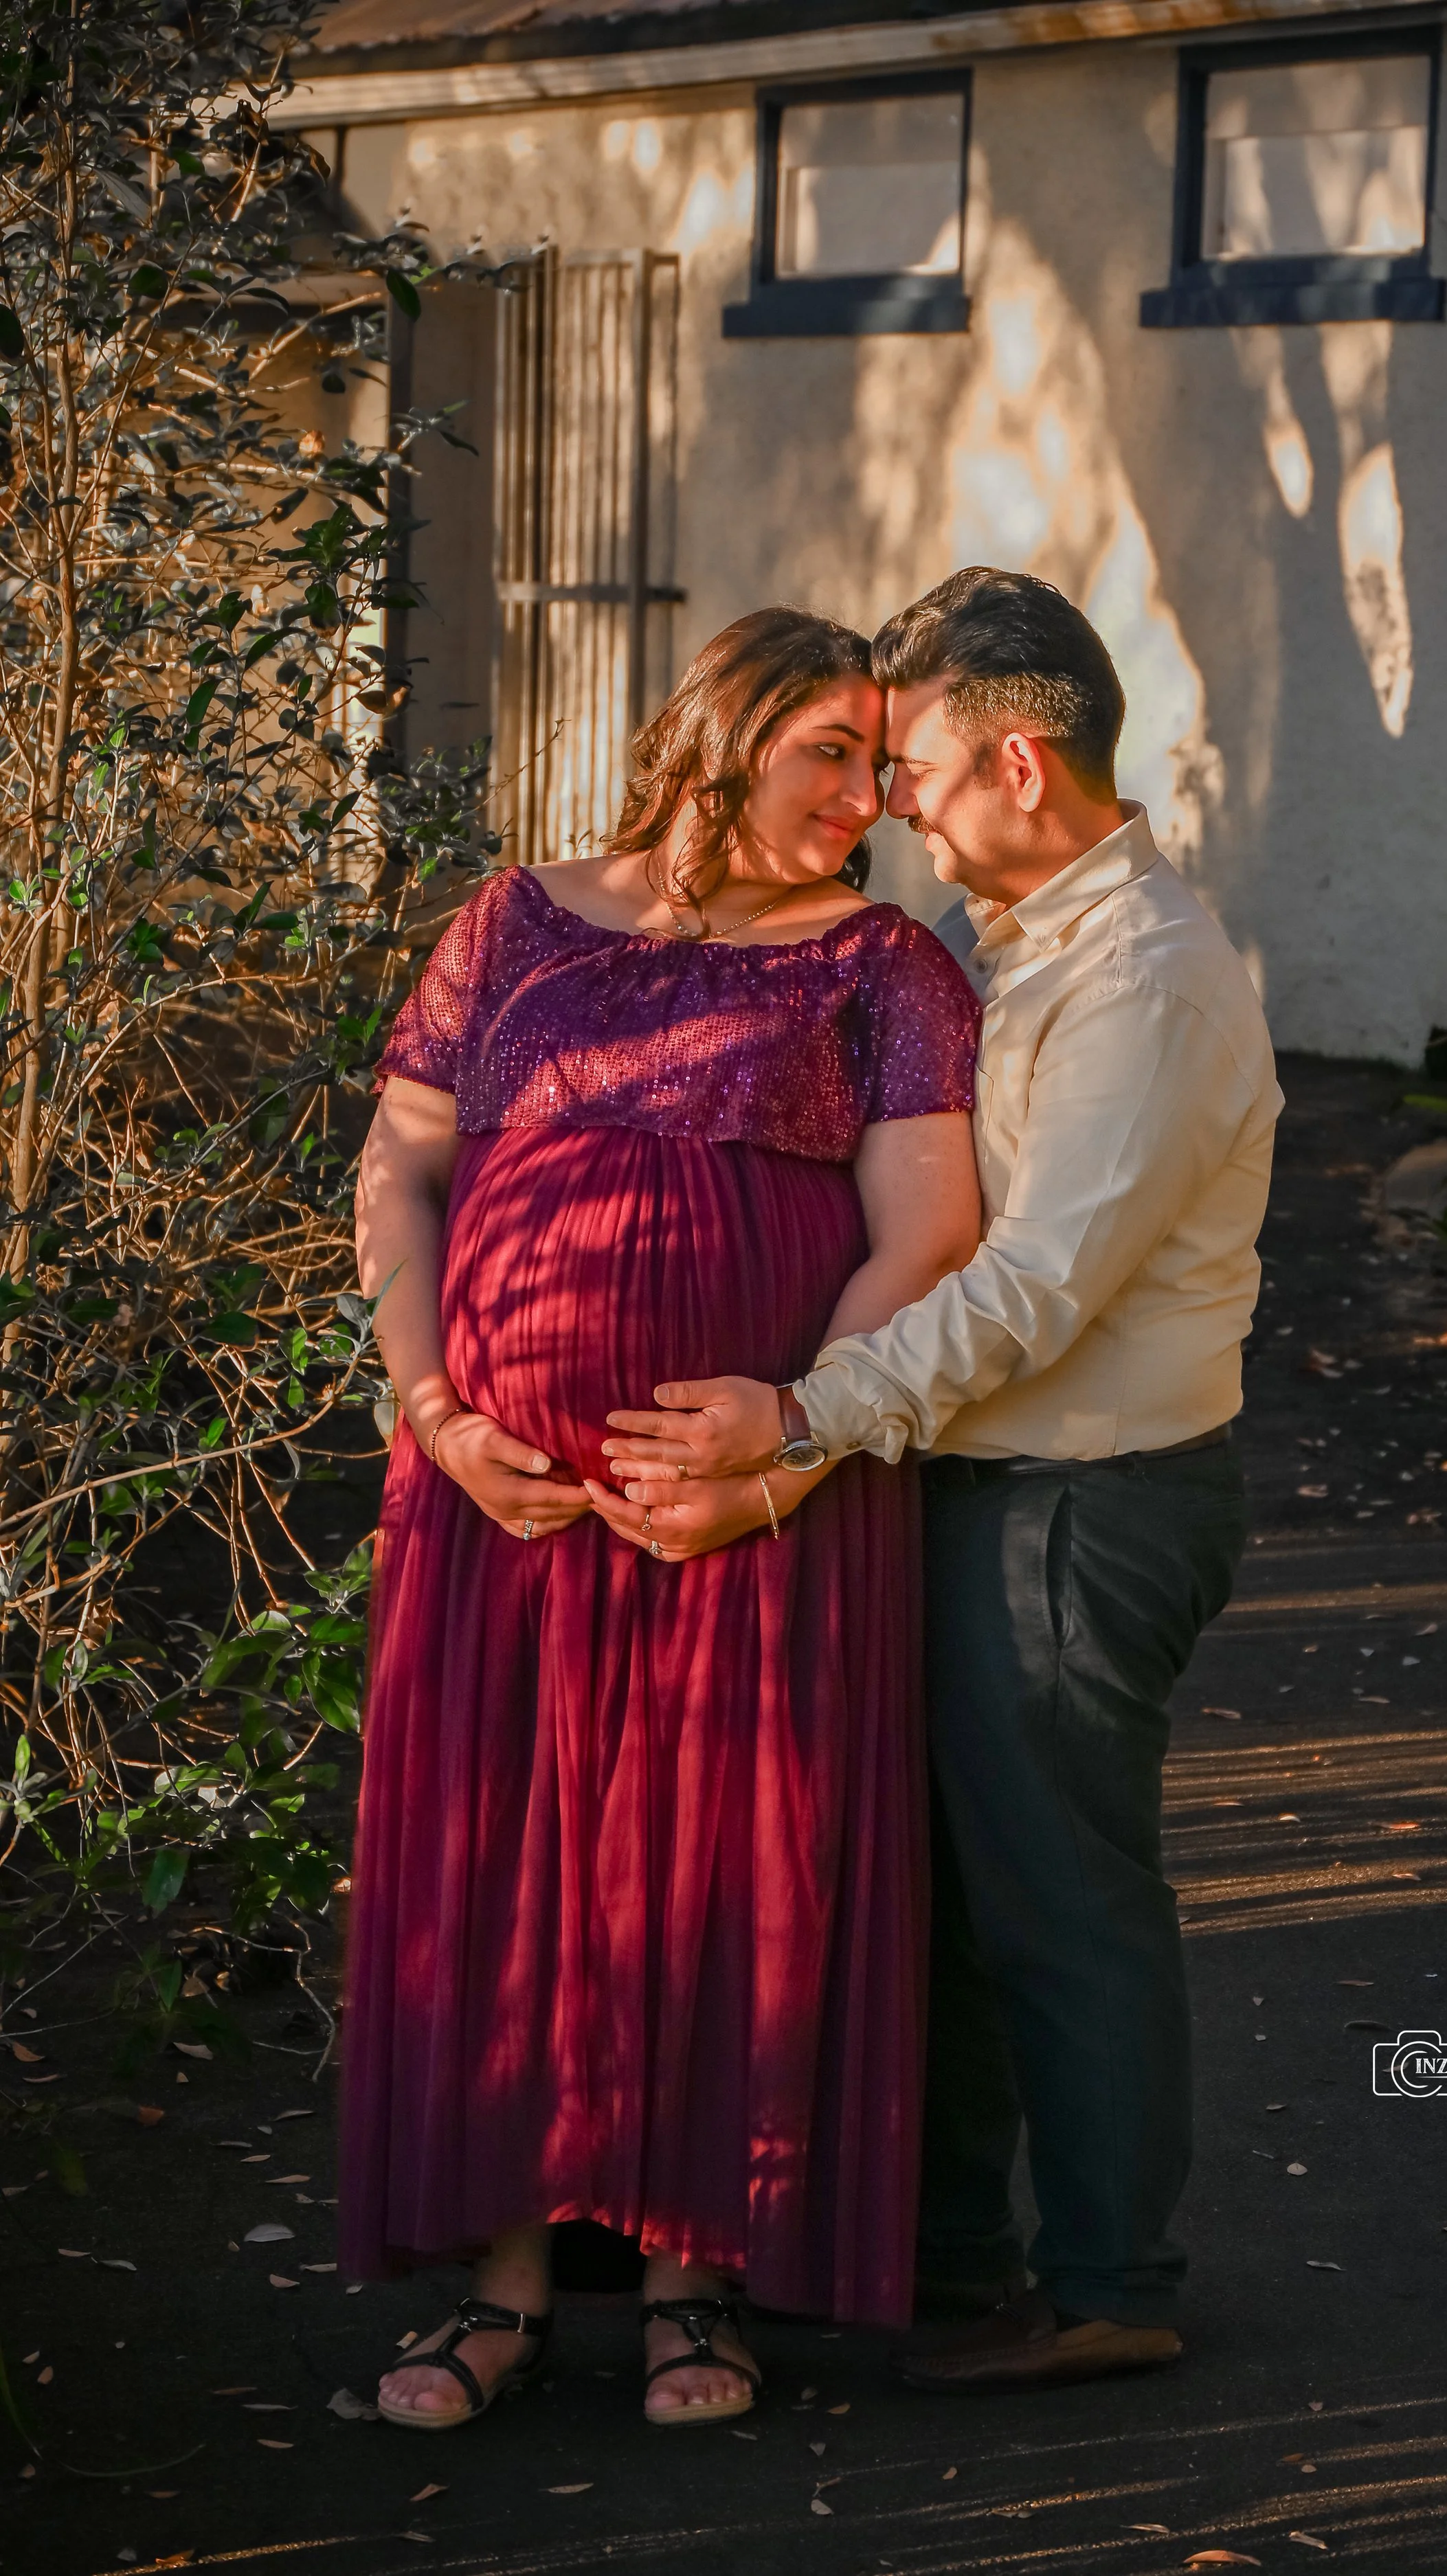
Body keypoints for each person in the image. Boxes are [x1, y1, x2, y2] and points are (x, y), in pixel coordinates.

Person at [602, 568, 1282, 2394]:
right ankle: (955, 2256)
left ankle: (1106, 2281)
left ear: (1019, 756)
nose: (887, 800)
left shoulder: (1139, 978)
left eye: (909, 763)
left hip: (1083, 1502)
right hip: (1001, 1483)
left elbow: (1034, 1287)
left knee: (1058, 1894)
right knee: (975, 1892)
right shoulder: (1044, 935)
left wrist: (802, 1413)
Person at [344, 607, 982, 2431]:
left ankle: (699, 2280)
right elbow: (402, 1162)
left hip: (747, 1516)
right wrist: (434, 1408)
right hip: (493, 1505)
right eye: (831, 757)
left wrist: (774, 1449)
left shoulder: (884, 965)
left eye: (882, 766)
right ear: (722, 736)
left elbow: (921, 1235)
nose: (867, 800)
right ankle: (507, 2281)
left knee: (717, 1866)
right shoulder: (516, 921)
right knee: (506, 1869)